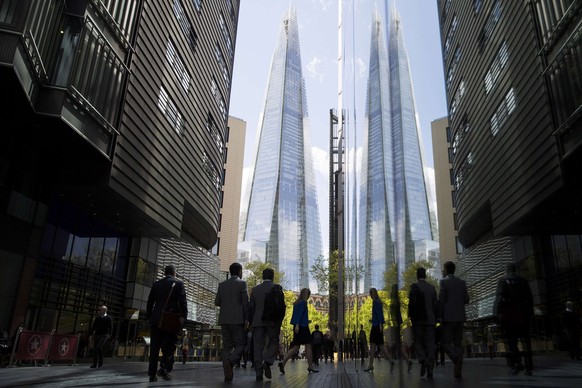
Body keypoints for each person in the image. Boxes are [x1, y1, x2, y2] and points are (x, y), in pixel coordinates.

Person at [147, 265, 188, 382]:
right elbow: (183, 302)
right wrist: (183, 318)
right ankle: (164, 368)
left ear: (165, 273)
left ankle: (152, 374)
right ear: (174, 273)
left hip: (156, 320)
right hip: (170, 320)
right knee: (170, 346)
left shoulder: (156, 284)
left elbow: (150, 302)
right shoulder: (179, 284)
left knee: (154, 348)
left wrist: (150, 316)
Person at [494, 263, 534, 375]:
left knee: (512, 342)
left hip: (510, 318)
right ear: (515, 270)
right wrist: (529, 314)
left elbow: (499, 298)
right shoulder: (523, 281)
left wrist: (496, 314)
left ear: (507, 270)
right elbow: (530, 299)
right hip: (523, 317)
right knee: (526, 342)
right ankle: (529, 366)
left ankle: (517, 363)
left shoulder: (503, 281)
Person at [215, 262, 248, 382]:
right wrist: (247, 319)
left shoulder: (222, 284)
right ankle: (231, 361)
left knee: (226, 346)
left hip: (224, 319)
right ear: (239, 271)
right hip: (237, 319)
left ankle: (227, 374)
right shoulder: (242, 283)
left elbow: (217, 302)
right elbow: (245, 302)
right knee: (240, 344)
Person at [249, 268, 282, 381]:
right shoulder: (277, 288)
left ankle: (258, 372)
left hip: (257, 321)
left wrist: (250, 322)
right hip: (272, 321)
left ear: (262, 277)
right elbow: (281, 307)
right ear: (273, 276)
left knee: (258, 346)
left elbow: (251, 308)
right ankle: (267, 361)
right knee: (274, 341)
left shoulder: (255, 290)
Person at [439, 261, 469, 379]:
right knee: (458, 342)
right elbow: (466, 299)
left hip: (448, 317)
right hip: (460, 317)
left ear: (446, 270)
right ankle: (458, 370)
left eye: (444, 269)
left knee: (445, 342)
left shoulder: (443, 282)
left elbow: (441, 300)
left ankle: (455, 358)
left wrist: (440, 316)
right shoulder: (462, 283)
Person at [279, 288, 319, 374]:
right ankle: (310, 366)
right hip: (302, 327)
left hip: (297, 327)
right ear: (306, 295)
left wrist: (299, 323)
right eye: (308, 295)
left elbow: (296, 315)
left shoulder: (296, 303)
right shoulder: (304, 303)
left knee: (295, 347)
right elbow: (300, 314)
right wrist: (298, 324)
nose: (308, 297)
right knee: (308, 346)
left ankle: (283, 363)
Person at [409, 267, 438, 379]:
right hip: (430, 320)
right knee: (430, 343)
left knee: (418, 341)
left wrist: (411, 318)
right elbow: (435, 305)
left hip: (418, 321)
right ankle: (430, 367)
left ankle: (422, 360)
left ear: (417, 276)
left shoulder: (414, 288)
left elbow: (411, 305)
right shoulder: (432, 288)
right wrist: (437, 318)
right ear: (425, 275)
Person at [364, 287, 394, 372]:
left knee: (373, 344)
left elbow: (379, 313)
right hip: (377, 325)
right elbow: (378, 314)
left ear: (373, 294)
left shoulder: (376, 302)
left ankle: (370, 365)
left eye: (370, 294)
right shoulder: (378, 302)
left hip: (376, 326)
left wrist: (380, 324)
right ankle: (390, 362)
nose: (370, 296)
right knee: (380, 345)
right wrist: (373, 320)